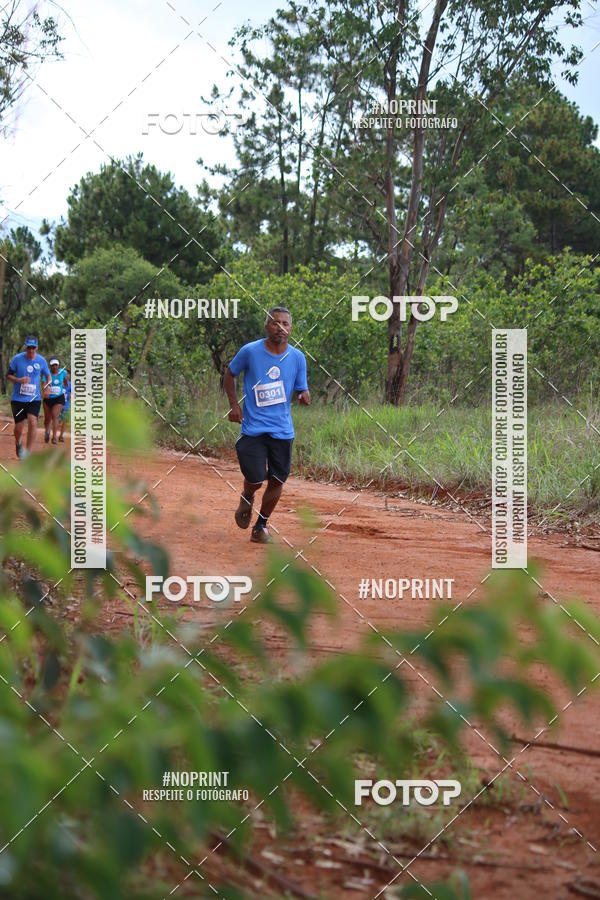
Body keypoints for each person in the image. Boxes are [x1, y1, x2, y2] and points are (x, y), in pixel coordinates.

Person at [224, 307, 310, 544]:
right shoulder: (250, 351)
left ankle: (261, 526)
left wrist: (304, 395)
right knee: (255, 478)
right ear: (267, 326)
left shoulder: (297, 358)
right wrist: (234, 406)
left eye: (285, 324)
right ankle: (248, 494)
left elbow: (302, 387)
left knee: (277, 480)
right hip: (253, 429)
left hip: (282, 431)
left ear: (290, 329)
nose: (280, 327)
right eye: (275, 323)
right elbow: (229, 374)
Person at [6, 336, 51, 459]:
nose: (31, 350)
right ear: (26, 347)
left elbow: (48, 376)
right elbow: (8, 376)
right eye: (29, 347)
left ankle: (28, 453)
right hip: (18, 399)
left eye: (33, 347)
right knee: (19, 427)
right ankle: (18, 442)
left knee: (32, 421)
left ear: (37, 347)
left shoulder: (41, 361)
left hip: (33, 399)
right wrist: (18, 380)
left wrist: (47, 386)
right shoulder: (17, 359)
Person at [43, 357, 69, 445]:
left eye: (56, 365)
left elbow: (66, 382)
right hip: (48, 398)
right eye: (52, 365)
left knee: (55, 416)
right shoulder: (46, 373)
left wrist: (65, 384)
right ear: (50, 366)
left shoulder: (63, 372)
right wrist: (46, 388)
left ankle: (54, 437)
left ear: (58, 365)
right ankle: (47, 431)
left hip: (59, 397)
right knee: (47, 418)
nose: (54, 367)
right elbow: (43, 384)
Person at [58, 368, 71, 442]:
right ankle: (53, 434)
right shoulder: (57, 382)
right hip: (57, 405)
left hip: (66, 405)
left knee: (65, 421)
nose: (66, 375)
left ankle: (61, 435)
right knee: (57, 421)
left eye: (67, 374)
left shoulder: (70, 384)